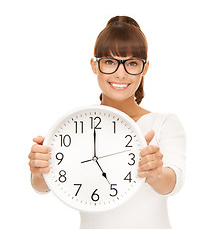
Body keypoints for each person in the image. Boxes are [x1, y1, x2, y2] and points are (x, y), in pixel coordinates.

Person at [28, 15, 186, 229]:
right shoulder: (73, 126)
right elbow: (44, 185)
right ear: (95, 65)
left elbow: (173, 183)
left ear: (144, 68)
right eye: (111, 62)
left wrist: (155, 173)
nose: (121, 74)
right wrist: (39, 169)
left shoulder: (164, 122)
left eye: (131, 63)